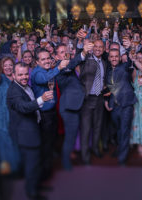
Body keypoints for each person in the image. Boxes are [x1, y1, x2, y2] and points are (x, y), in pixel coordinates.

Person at [7, 62, 53, 200]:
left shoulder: (25, 86)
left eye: (26, 74)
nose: (24, 77)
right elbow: (23, 107)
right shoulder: (14, 91)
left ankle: (36, 185)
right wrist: (42, 99)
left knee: (36, 162)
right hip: (25, 134)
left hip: (33, 129)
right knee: (31, 165)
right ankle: (31, 192)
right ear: (14, 75)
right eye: (20, 74)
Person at [31, 49, 68, 179]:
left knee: (51, 141)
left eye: (48, 58)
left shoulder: (48, 70)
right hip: (44, 114)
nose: (47, 61)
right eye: (43, 59)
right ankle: (43, 175)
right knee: (45, 145)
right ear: (36, 61)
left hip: (52, 112)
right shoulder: (37, 73)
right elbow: (44, 79)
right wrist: (58, 67)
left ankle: (47, 168)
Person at [56, 41, 92, 170]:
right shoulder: (59, 67)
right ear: (56, 57)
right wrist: (83, 52)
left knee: (73, 136)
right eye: (61, 52)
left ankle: (70, 160)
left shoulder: (68, 67)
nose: (64, 54)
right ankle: (66, 164)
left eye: (65, 51)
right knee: (70, 137)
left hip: (75, 106)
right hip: (69, 108)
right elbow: (71, 64)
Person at [105, 47, 136, 165]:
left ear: (119, 57)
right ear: (109, 58)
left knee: (124, 130)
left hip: (126, 104)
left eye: (116, 56)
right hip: (114, 105)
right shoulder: (107, 72)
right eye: (111, 56)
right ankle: (119, 150)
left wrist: (128, 48)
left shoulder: (125, 67)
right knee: (118, 130)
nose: (114, 58)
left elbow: (129, 60)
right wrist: (106, 100)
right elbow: (106, 88)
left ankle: (122, 159)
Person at [0, 56, 20, 174]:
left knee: (15, 140)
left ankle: (17, 166)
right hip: (3, 114)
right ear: (1, 67)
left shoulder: (17, 78)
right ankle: (6, 170)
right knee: (4, 142)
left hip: (15, 113)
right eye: (5, 65)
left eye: (10, 65)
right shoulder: (0, 78)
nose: (8, 67)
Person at [78, 40, 107, 164]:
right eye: (96, 46)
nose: (98, 49)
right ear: (92, 48)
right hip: (87, 99)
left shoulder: (104, 63)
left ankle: (95, 148)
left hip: (99, 98)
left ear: (104, 49)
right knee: (86, 128)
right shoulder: (87, 59)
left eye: (101, 47)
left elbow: (102, 78)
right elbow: (79, 56)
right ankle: (85, 156)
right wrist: (81, 45)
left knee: (97, 126)